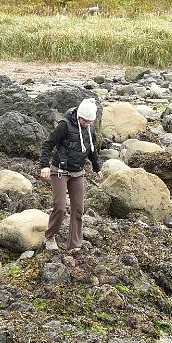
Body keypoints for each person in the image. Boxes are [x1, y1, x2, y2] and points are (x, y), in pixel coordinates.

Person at [39, 98, 103, 252]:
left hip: (78, 172)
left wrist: (97, 168)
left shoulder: (90, 129)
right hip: (60, 171)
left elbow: (92, 151)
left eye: (90, 121)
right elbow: (48, 144)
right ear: (79, 116)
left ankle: (74, 245)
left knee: (78, 210)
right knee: (60, 207)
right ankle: (50, 236)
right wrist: (44, 166)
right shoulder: (64, 125)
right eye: (85, 121)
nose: (87, 124)